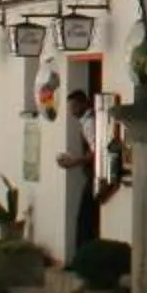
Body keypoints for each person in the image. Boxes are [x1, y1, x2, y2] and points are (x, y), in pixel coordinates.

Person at [55, 91, 103, 251]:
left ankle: (83, 252)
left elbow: (97, 152)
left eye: (74, 106)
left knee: (85, 217)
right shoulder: (87, 122)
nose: (71, 111)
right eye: (70, 107)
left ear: (83, 104)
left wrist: (74, 161)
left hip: (96, 175)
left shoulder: (90, 123)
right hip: (94, 174)